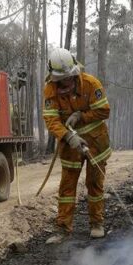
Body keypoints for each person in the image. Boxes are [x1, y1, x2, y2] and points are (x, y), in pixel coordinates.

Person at [42, 47, 112, 243]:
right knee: (67, 187)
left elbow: (104, 111)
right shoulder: (50, 90)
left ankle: (97, 223)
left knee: (94, 183)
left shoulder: (91, 84)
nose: (67, 82)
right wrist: (68, 136)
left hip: (96, 143)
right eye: (62, 79)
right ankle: (63, 228)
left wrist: (81, 116)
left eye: (70, 77)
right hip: (70, 146)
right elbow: (51, 119)